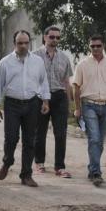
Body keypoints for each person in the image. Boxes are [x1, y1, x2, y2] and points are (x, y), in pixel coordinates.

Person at [0, 30, 50, 187]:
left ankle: (26, 175)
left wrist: (45, 101)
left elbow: (43, 82)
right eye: (20, 43)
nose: (23, 46)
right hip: (12, 104)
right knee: (11, 138)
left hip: (32, 103)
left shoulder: (37, 61)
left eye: (26, 43)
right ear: (14, 43)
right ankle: (7, 161)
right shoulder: (5, 62)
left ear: (29, 43)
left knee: (30, 141)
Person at [71, 34, 106, 186]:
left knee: (99, 142)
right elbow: (76, 88)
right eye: (92, 46)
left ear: (103, 46)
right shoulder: (82, 65)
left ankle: (91, 168)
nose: (95, 48)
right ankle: (96, 173)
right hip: (89, 105)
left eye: (98, 46)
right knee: (94, 138)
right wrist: (77, 109)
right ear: (89, 47)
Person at [33, 25, 74, 178]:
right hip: (40, 98)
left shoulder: (64, 57)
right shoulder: (34, 56)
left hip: (59, 97)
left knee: (61, 133)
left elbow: (66, 82)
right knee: (40, 132)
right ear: (44, 37)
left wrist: (69, 104)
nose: (55, 40)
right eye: (52, 37)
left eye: (58, 37)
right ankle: (39, 162)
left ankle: (60, 167)